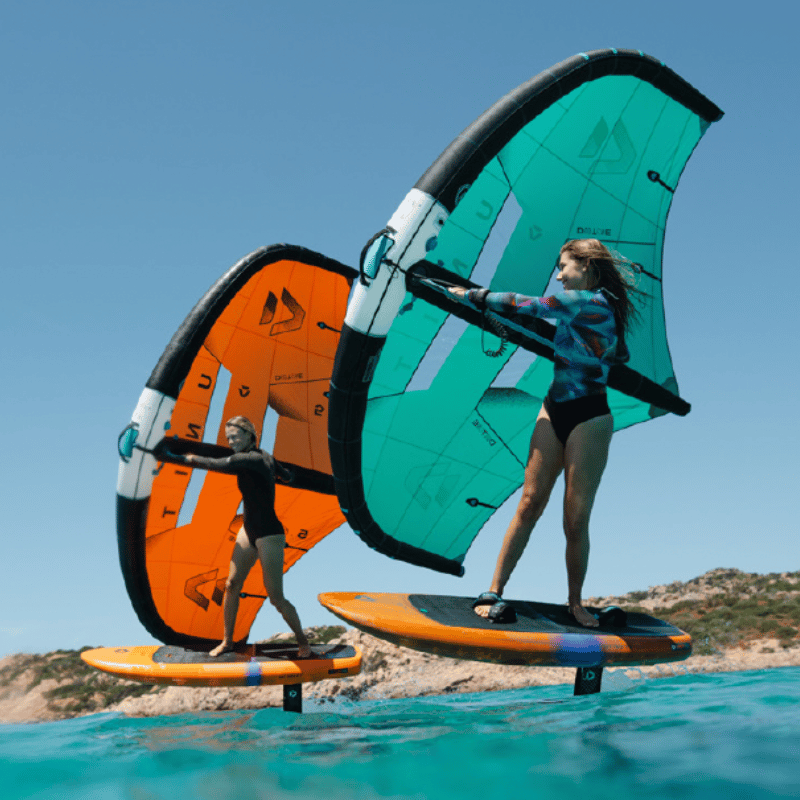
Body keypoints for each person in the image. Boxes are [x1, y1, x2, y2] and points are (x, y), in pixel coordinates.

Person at [450, 239, 641, 628]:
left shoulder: (587, 302)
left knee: (574, 518)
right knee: (529, 501)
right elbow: (618, 356)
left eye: (564, 266)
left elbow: (529, 304)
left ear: (587, 266)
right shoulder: (588, 310)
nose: (558, 274)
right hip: (553, 407)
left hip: (590, 417)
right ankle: (493, 590)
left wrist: (473, 295)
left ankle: (575, 604)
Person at [182, 416, 312, 657]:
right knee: (231, 584)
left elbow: (214, 464)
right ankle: (228, 641)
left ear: (249, 434)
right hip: (248, 529)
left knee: (276, 597)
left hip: (269, 533)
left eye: (235, 436)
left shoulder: (250, 458)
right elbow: (287, 476)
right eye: (228, 438)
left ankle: (303, 642)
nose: (231, 441)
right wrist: (285, 476)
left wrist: (184, 458)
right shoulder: (266, 458)